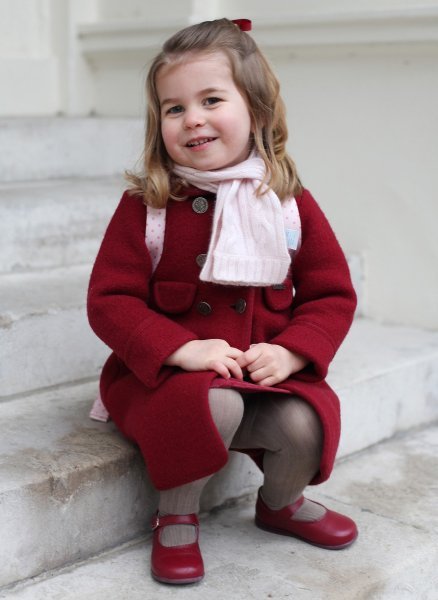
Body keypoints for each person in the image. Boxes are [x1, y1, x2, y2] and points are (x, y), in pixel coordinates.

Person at [87, 17, 358, 586]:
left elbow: (331, 294)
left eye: (211, 99)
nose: (193, 118)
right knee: (217, 406)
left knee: (305, 422)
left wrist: (291, 353)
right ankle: (175, 513)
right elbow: (110, 300)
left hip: (261, 376)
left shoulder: (286, 203)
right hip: (171, 381)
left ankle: (280, 503)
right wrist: (180, 349)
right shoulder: (150, 207)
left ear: (255, 111)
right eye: (174, 107)